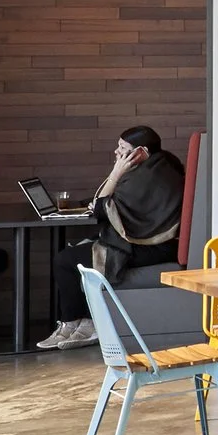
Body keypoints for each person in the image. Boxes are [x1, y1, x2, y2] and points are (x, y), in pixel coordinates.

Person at [41, 126, 185, 350]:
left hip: (155, 247)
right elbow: (109, 206)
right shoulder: (160, 166)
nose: (117, 152)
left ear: (140, 152)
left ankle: (82, 324)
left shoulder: (148, 176)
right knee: (81, 248)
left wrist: (116, 173)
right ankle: (75, 324)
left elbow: (101, 210)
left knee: (65, 260)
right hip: (158, 244)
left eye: (122, 148)